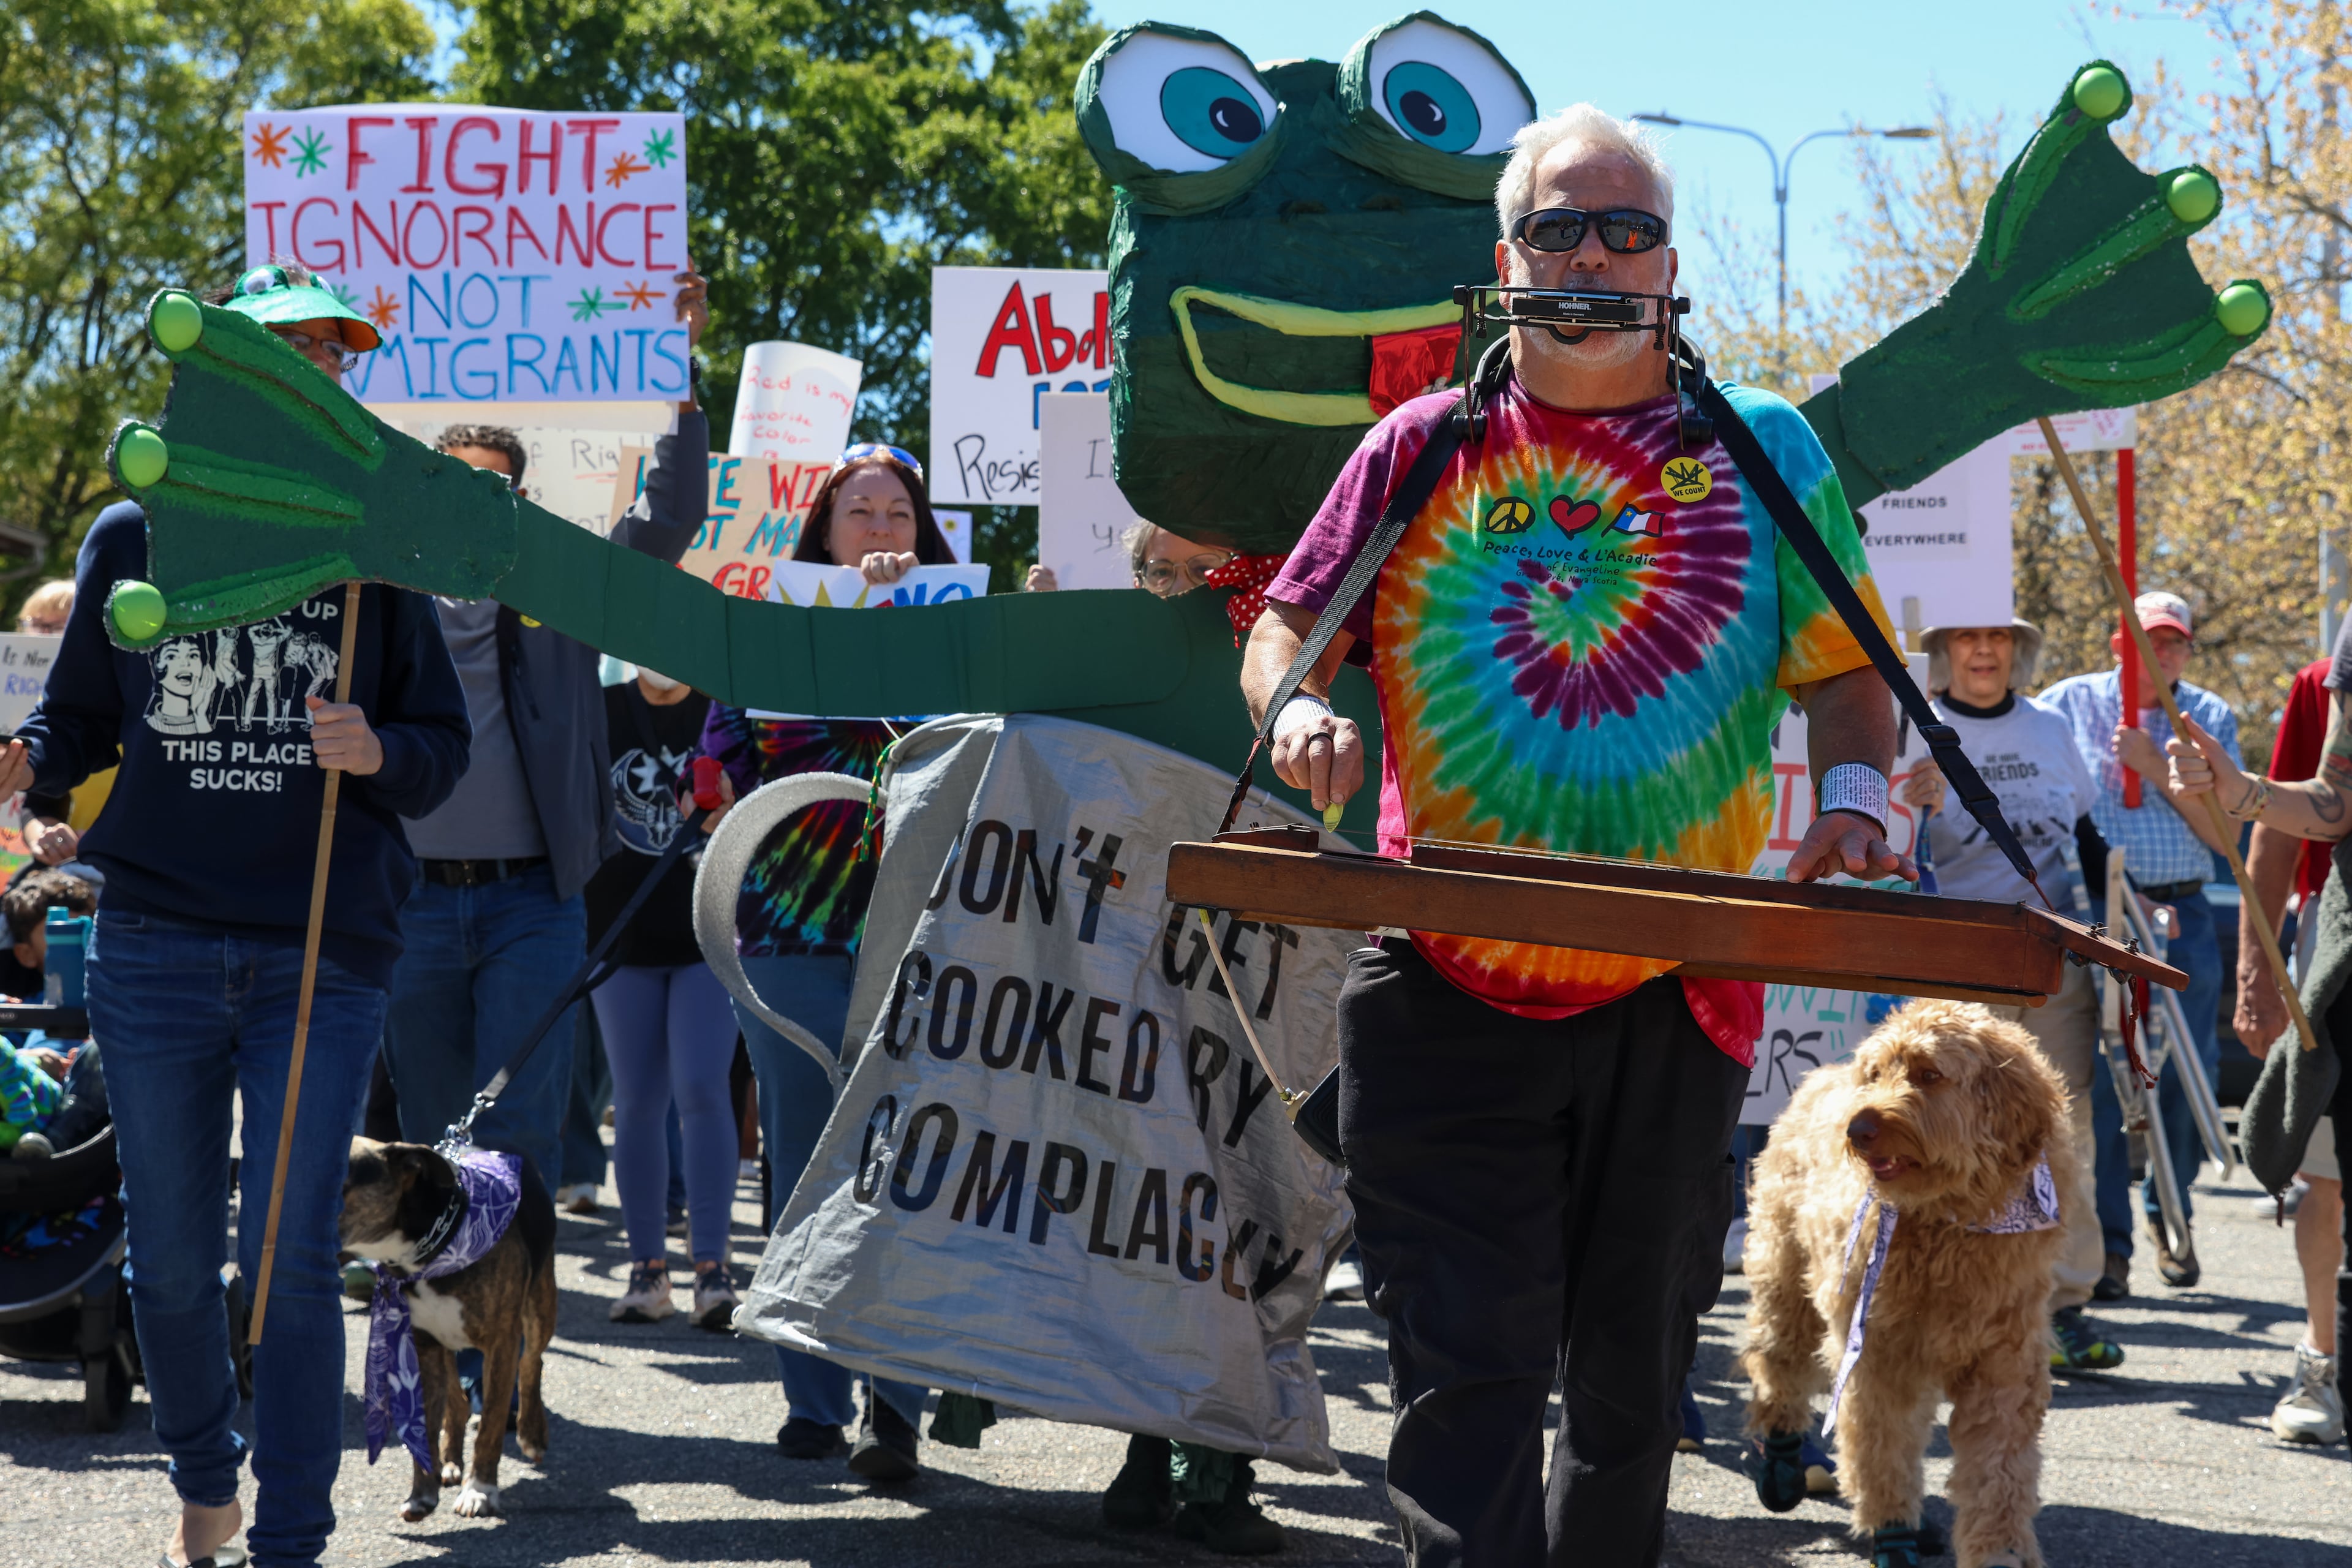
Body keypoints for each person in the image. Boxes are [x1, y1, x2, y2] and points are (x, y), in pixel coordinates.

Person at [1246, 106, 1909, 1561]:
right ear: (1505, 256)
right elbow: (1291, 618)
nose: (1593, 253)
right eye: (1558, 226)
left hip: (1678, 990)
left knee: (1627, 1394)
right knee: (1461, 1376)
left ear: (1671, 261)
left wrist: (1857, 795)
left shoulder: (1766, 449)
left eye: (1626, 229)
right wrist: (1292, 706)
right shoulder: (1422, 446)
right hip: (1436, 982)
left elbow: (1847, 671)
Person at [0, 259, 470, 1568]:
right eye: (294, 350)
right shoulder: (131, 533)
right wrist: (31, 753)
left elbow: (445, 743)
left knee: (293, 1252)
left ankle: (292, 1541)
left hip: (320, 947)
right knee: (163, 1263)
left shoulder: (378, 538)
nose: (322, 370)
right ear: (224, 372)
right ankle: (204, 1473)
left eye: (335, 354)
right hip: (150, 938)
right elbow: (82, 713)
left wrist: (377, 747)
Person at [382, 272, 709, 1189]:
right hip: (409, 902)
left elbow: (672, 517)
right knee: (427, 1142)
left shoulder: (558, 589)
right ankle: (436, 1321)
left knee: (520, 1130)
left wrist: (678, 368)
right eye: (453, 485)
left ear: (520, 502)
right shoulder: (384, 594)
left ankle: (513, 1327)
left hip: (534, 904)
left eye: (495, 490)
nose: (474, 502)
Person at [710, 445, 952, 1481]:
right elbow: (724, 752)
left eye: (901, 511)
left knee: (900, 1173)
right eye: (862, 511)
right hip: (791, 941)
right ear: (823, 533)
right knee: (807, 1171)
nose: (883, 528)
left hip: (923, 944)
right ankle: (812, 1396)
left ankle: (897, 1408)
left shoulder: (955, 634)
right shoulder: (774, 637)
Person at [1902, 620, 2122, 1370]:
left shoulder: (2052, 727)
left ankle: (2064, 1303)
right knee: (1951, 1136)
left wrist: (2126, 920)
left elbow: (2086, 834)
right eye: (1967, 638)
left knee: (2063, 1130)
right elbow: (1895, 848)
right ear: (1944, 652)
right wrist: (1916, 807)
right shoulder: (1915, 727)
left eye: (1999, 637)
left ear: (2020, 651)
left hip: (2050, 961)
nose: (1984, 650)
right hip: (1956, 967)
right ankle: (1951, 1301)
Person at [2042, 590, 2239, 1291]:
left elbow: (2225, 838)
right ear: (2118, 645)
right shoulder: (2064, 705)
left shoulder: (2209, 718)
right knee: (2096, 1080)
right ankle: (2111, 1248)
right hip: (2094, 914)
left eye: (2175, 642)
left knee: (2184, 1076)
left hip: (2180, 919)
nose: (2163, 654)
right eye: (2147, 641)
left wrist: (2157, 767)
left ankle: (2172, 1216)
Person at [587, 661, 744, 1330]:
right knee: (637, 1101)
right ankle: (647, 1269)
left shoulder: (724, 710)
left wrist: (734, 805)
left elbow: (760, 800)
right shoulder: (598, 708)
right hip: (620, 935)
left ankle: (713, 1268)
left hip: (708, 935)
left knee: (705, 1090)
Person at [2225, 655, 2344, 1444]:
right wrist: (2256, 973)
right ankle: (2321, 1362)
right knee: (2326, 1174)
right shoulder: (2323, 677)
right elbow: (2284, 822)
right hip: (2341, 962)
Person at [18, 578, 117, 864]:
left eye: (63, 626)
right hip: (68, 877)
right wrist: (47, 837)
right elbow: (39, 804)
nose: (47, 636)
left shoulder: (123, 703)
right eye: (37, 624)